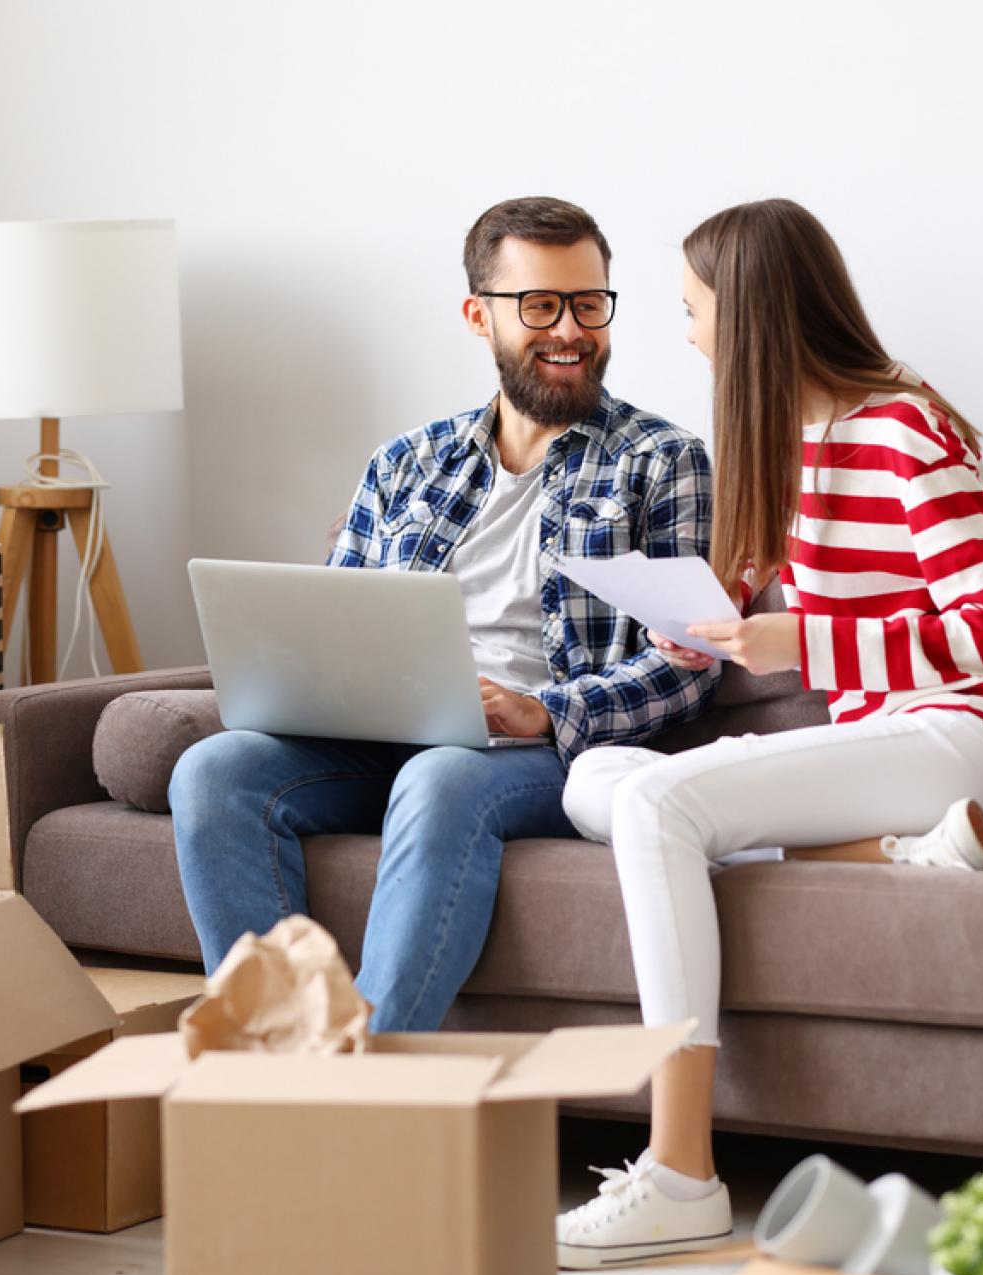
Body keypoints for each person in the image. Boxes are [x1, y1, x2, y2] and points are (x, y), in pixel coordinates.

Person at [552, 199, 983, 1269]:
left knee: (655, 805)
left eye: (691, 312)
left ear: (747, 316)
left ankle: (678, 1171)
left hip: (971, 741)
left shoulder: (904, 429)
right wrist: (706, 631)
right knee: (594, 779)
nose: (683, 337)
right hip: (895, 775)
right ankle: (900, 857)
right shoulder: (792, 448)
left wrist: (810, 645)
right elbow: (774, 625)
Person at [169, 196, 718, 1032]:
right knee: (213, 771)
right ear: (478, 315)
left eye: (589, 304)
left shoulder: (662, 461)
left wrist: (545, 710)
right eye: (539, 305)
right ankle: (271, 1064)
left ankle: (376, 1076)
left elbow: (687, 665)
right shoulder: (407, 462)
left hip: (534, 752)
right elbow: (334, 617)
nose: (570, 330)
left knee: (440, 775)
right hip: (383, 738)